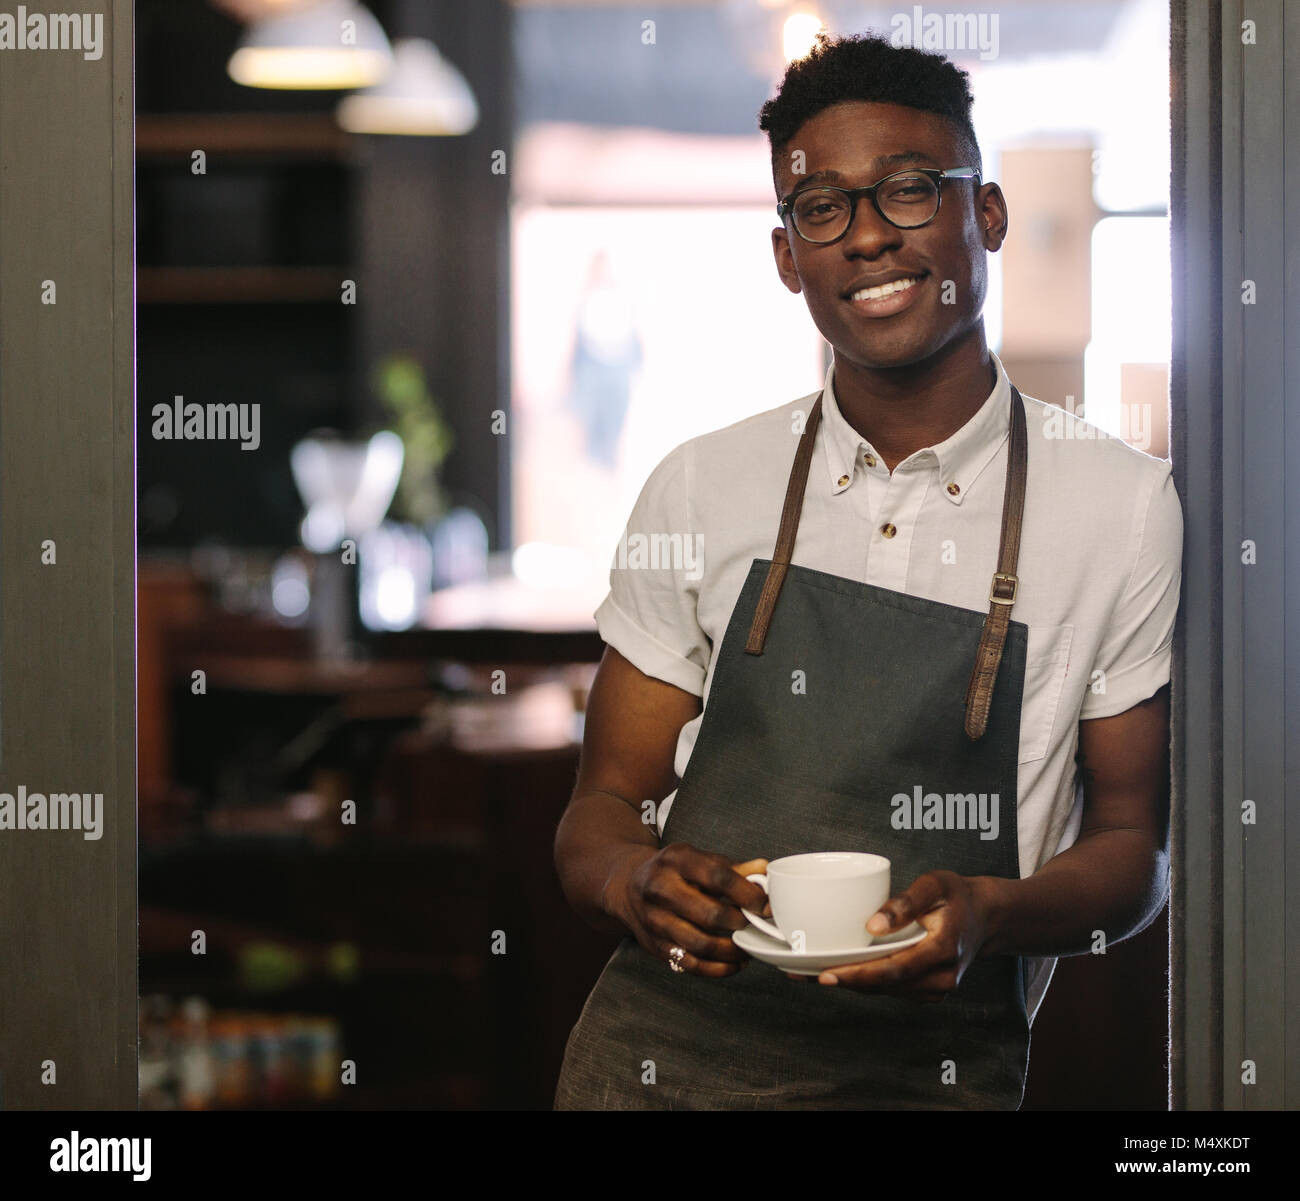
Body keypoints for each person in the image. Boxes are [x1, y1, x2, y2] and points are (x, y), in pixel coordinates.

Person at [552, 30, 1182, 1110]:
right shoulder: (702, 486)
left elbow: (1132, 855)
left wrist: (991, 911)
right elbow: (598, 809)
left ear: (982, 213)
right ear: (787, 255)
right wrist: (632, 877)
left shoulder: (1119, 504)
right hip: (653, 1070)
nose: (866, 238)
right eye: (821, 208)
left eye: (906, 191)